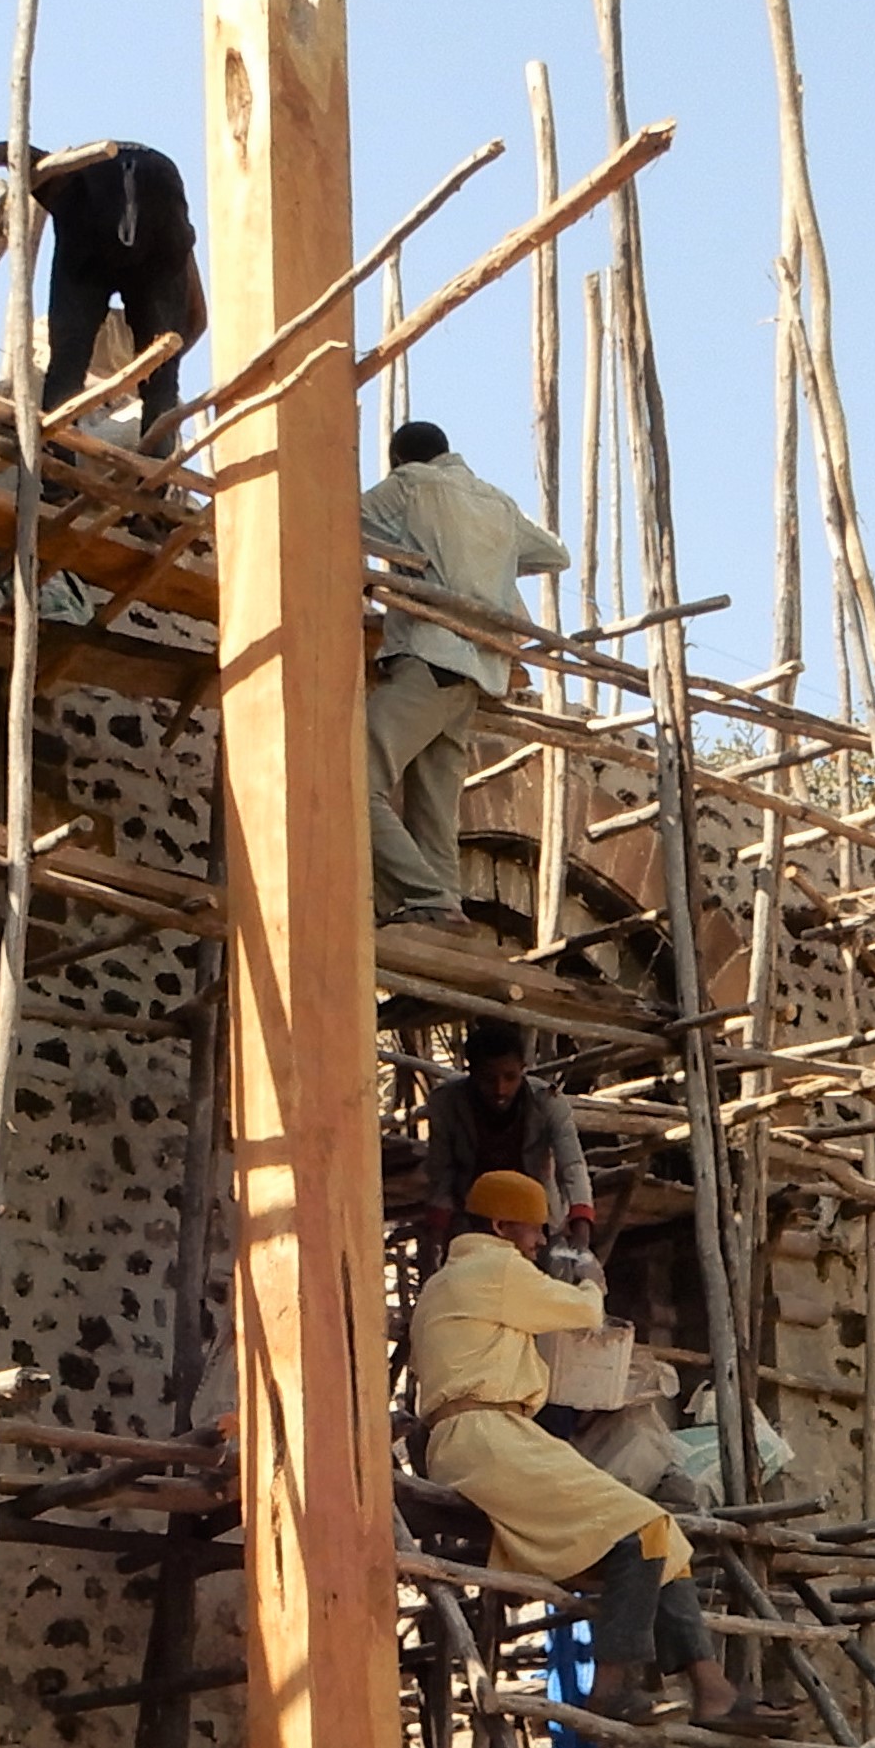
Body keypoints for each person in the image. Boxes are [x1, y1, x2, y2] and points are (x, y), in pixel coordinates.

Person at [411, 1171, 731, 1723]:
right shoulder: (497, 1267)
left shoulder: (448, 1279)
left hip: (478, 1437)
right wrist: (590, 1280)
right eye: (533, 1231)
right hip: (488, 1436)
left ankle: (713, 1688)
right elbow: (584, 1313)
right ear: (501, 1226)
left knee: (662, 1538)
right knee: (647, 1529)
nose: (537, 1243)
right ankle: (611, 1687)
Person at [357, 421, 569, 930]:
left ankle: (421, 893)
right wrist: (484, 566)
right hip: (477, 673)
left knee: (352, 777)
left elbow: (341, 516)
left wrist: (412, 555)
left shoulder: (411, 485)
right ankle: (442, 904)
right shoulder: (495, 501)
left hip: (430, 656)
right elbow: (553, 555)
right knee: (434, 802)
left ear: (400, 459)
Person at [37, 142, 206, 451]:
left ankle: (55, 469)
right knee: (161, 380)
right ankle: (156, 478)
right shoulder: (173, 236)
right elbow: (198, 319)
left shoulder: (69, 183)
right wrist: (161, 367)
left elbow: (8, 152)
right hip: (155, 195)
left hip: (94, 195)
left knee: (66, 365)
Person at [420, 1020, 595, 1260]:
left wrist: (581, 1235)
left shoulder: (548, 1103)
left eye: (510, 1077)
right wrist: (436, 1239)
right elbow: (442, 1171)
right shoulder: (447, 1104)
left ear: (523, 1069)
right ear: (471, 1072)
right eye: (488, 1078)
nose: (500, 1089)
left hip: (538, 1223)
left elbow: (572, 1165)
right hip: (474, 1224)